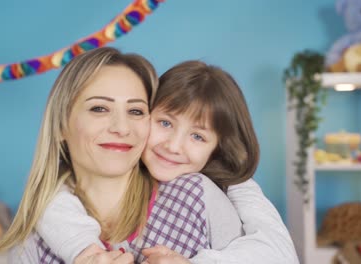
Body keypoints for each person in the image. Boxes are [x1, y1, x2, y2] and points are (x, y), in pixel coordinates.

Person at [0, 47, 245, 263]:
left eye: (135, 111)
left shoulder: (195, 197)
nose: (121, 128)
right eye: (99, 108)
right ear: (60, 127)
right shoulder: (34, 244)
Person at [32, 58, 299, 263]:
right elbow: (49, 199)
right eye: (164, 123)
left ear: (217, 149)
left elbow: (279, 254)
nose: (173, 145)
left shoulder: (228, 188)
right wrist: (85, 251)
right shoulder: (73, 190)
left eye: (197, 136)